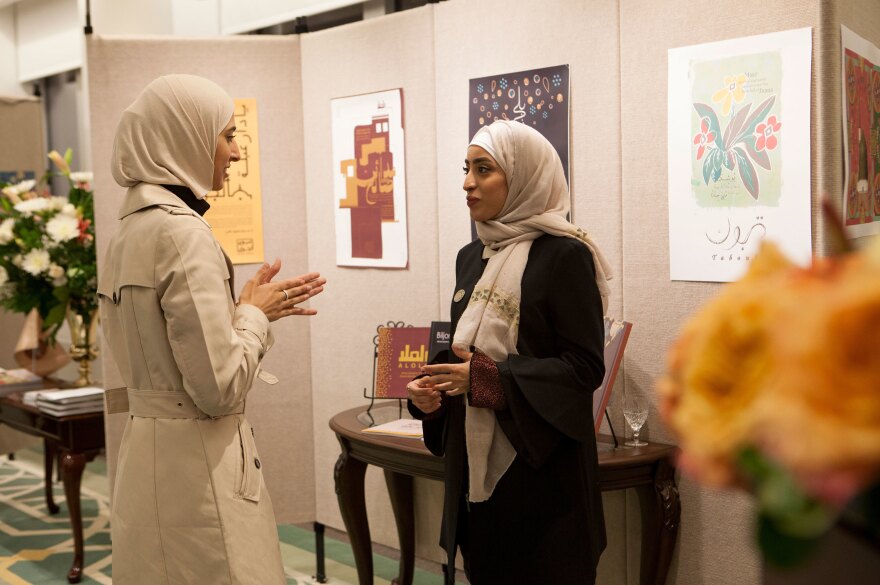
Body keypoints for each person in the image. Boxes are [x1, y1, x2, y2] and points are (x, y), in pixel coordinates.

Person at [98, 74, 326, 585]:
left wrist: (246, 308)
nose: (236, 153)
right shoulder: (183, 233)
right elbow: (219, 389)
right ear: (183, 137)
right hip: (198, 469)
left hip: (146, 459)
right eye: (227, 136)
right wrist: (254, 315)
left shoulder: (128, 232)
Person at [407, 120, 613, 585]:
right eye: (466, 168)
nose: (467, 183)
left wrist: (485, 378)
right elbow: (464, 352)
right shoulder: (471, 256)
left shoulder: (565, 256)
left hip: (544, 479)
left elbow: (584, 368)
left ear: (524, 177)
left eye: (483, 169)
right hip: (477, 478)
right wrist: (431, 393)